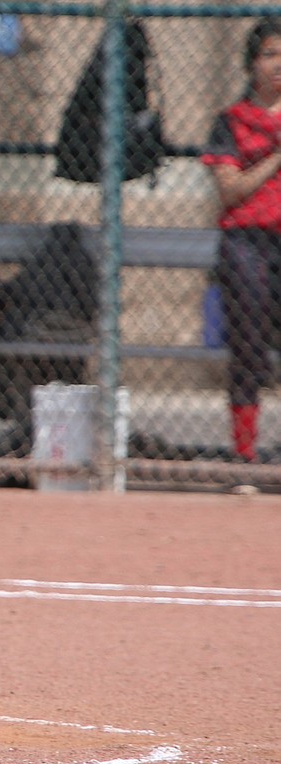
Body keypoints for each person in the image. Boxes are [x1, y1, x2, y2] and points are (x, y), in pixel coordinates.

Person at [201, 17, 281, 464]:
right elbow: (230, 188)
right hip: (248, 243)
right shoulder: (232, 121)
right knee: (249, 349)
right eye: (269, 54)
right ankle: (245, 454)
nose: (279, 64)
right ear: (251, 63)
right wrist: (275, 157)